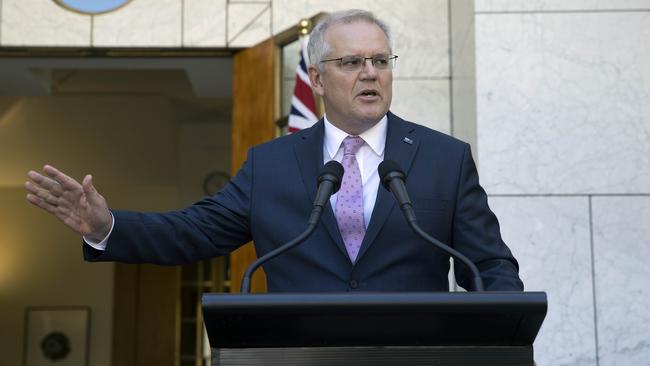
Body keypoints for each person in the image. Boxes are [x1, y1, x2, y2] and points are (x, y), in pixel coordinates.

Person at [25, 9, 523, 292]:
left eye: (380, 60)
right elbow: (193, 233)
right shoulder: (272, 165)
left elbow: (491, 267)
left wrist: (499, 336)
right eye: (352, 62)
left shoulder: (445, 158)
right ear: (320, 79)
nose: (371, 72)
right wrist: (105, 226)